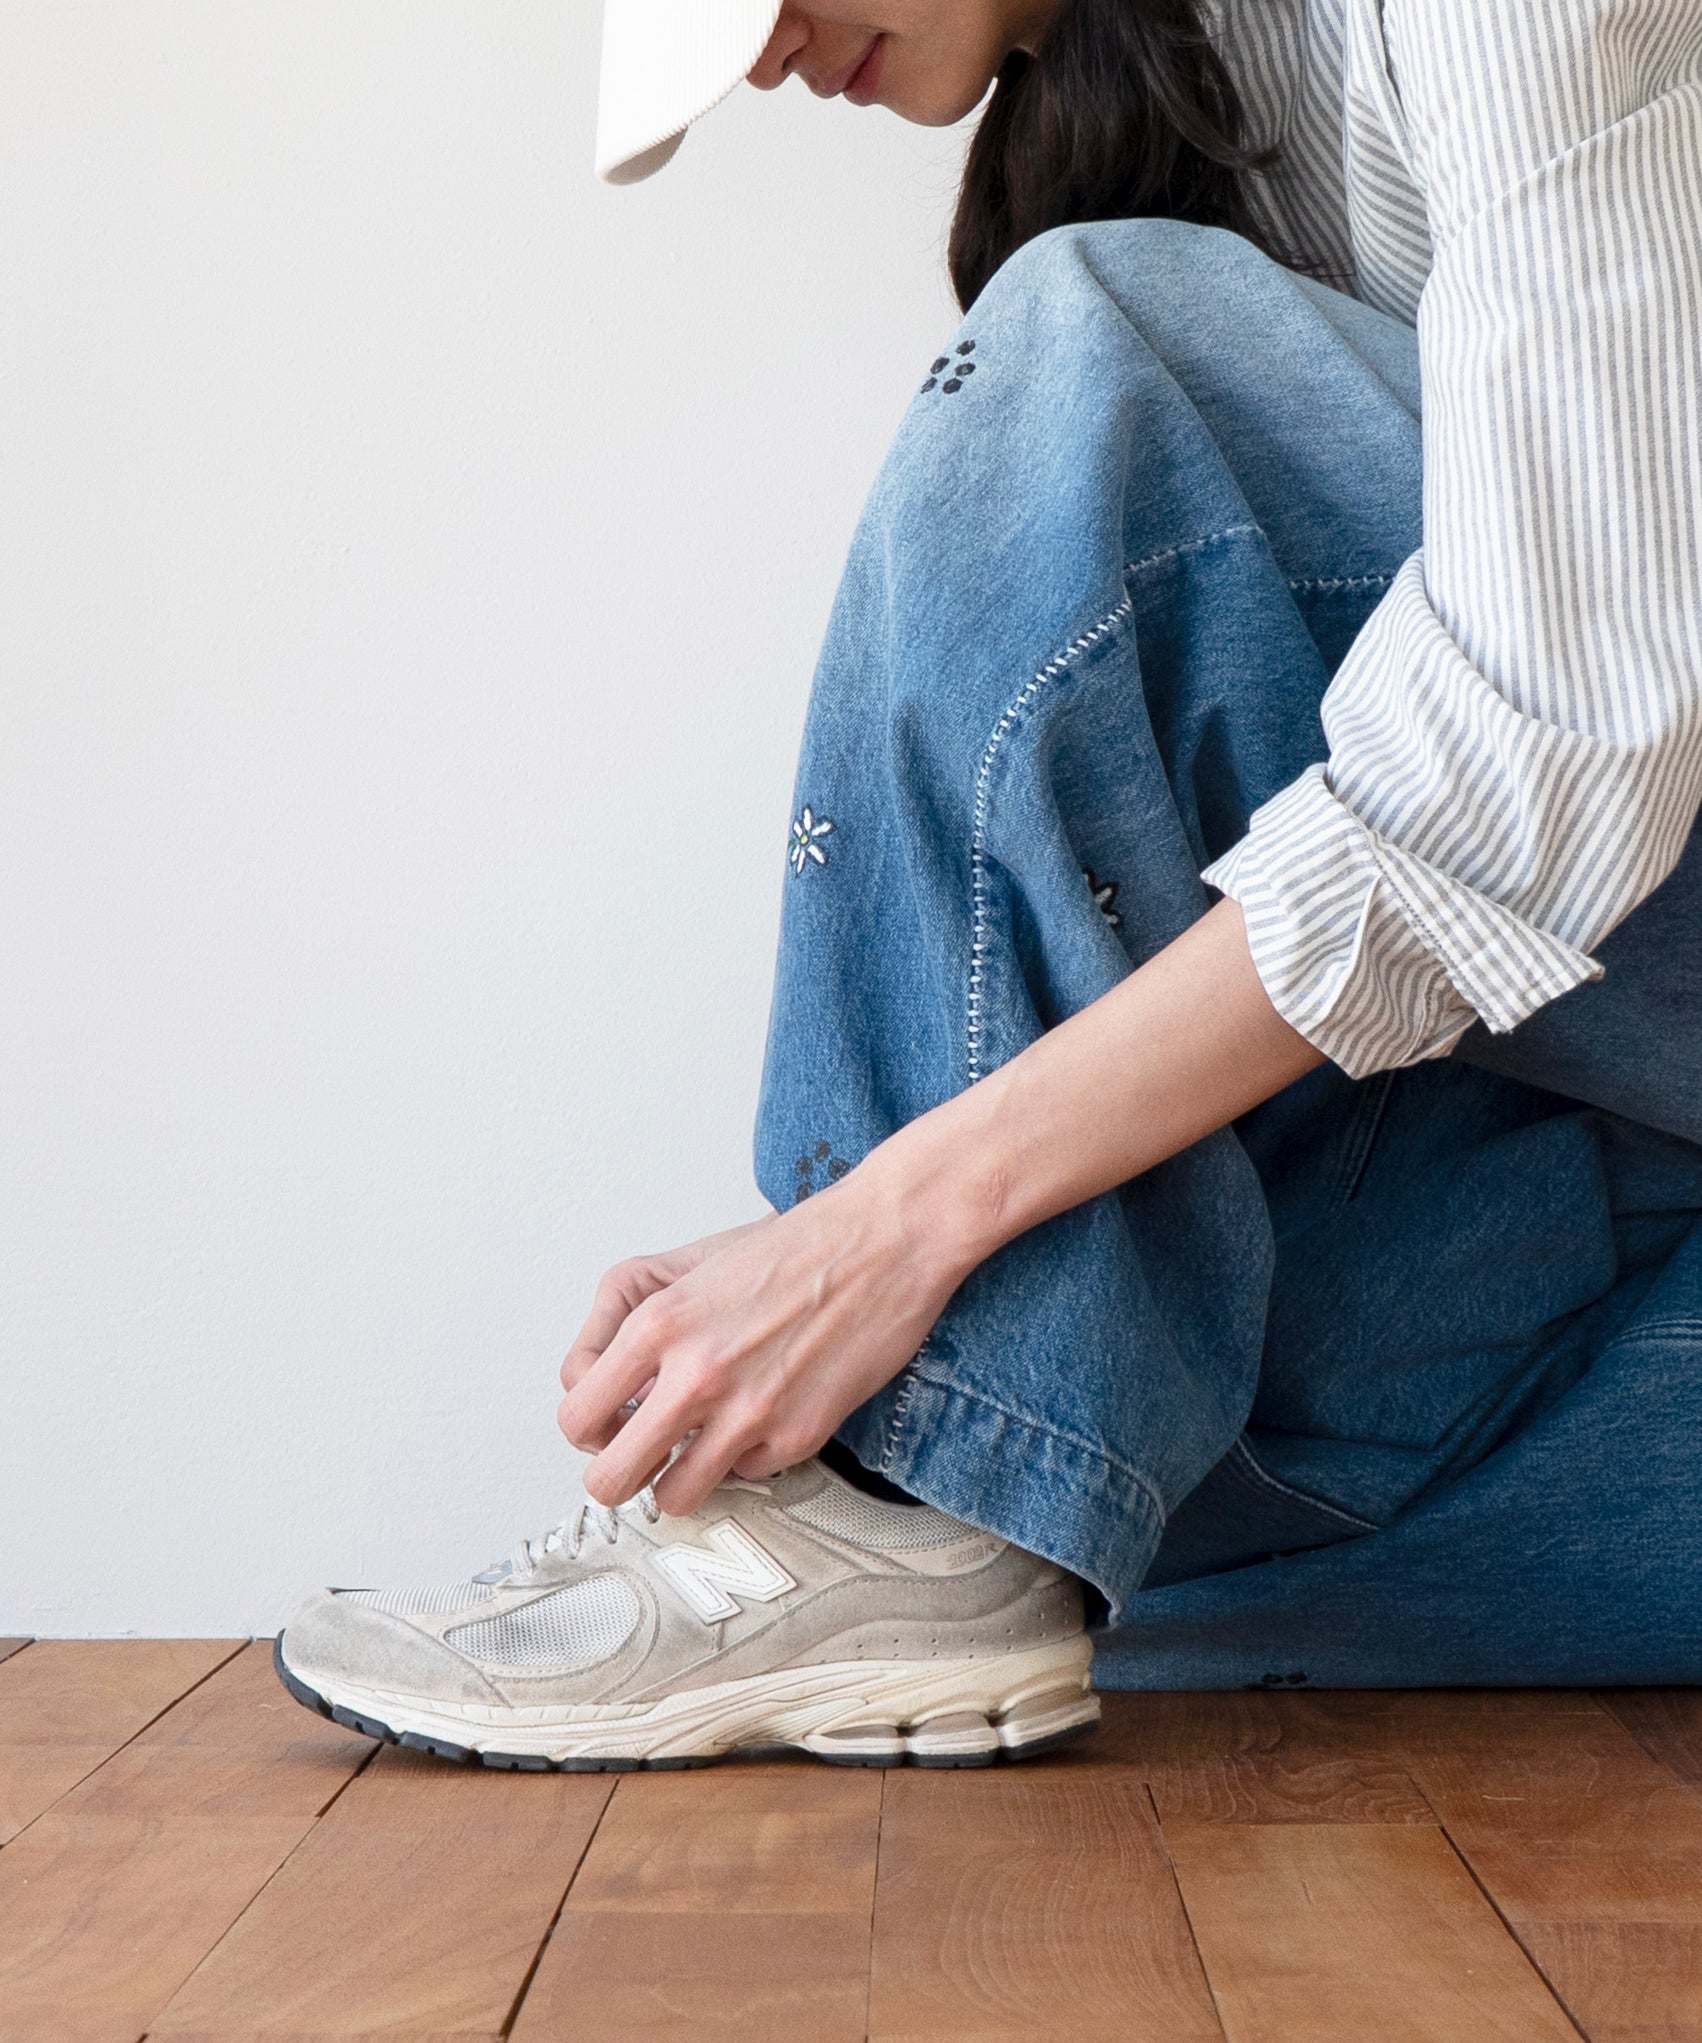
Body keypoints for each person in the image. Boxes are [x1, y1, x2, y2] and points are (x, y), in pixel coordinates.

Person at [275, 0, 1702, 1770]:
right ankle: (935, 1507)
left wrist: (888, 1228)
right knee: (1106, 1524)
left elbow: (1557, 734)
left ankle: (913, 1480)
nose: (769, 53)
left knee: (1087, 358)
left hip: (1618, 833)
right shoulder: (1190, 81)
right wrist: (925, 1266)